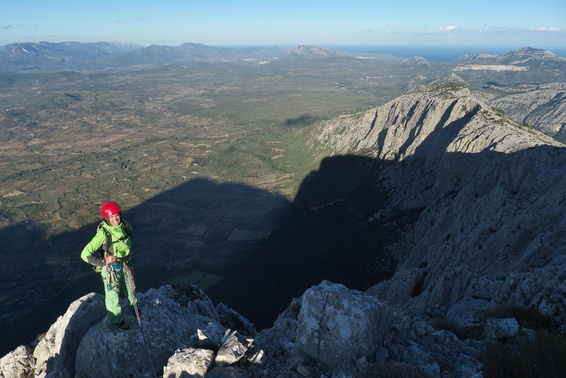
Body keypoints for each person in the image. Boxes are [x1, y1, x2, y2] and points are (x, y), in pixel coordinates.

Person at [80, 201, 136, 330]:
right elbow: (85, 254)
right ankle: (116, 320)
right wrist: (104, 262)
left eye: (117, 215)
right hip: (111, 268)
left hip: (126, 262)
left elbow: (129, 238)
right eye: (111, 217)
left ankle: (134, 308)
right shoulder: (104, 233)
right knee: (113, 294)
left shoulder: (125, 226)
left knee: (130, 287)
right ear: (106, 218)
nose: (115, 219)